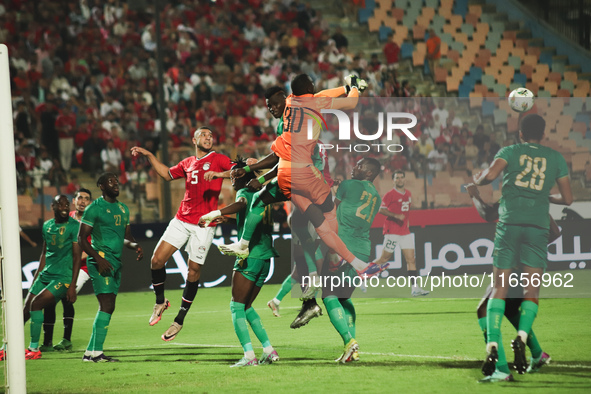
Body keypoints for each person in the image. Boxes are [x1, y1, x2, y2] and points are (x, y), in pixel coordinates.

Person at [220, 74, 386, 279]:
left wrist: (344, 86)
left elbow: (320, 94)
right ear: (309, 87)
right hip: (304, 172)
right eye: (311, 83)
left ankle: (243, 244)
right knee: (328, 214)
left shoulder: (291, 100)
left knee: (262, 201)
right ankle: (336, 256)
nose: (314, 85)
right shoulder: (314, 102)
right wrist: (354, 89)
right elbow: (351, 103)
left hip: (284, 175)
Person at [473, 114, 572, 381]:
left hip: (510, 235)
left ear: (519, 133)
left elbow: (488, 191)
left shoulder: (510, 167)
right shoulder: (553, 162)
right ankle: (532, 348)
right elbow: (568, 200)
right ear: (543, 133)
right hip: (535, 235)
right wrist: (545, 195)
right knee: (524, 298)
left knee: (488, 305)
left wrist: (477, 182)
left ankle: (500, 364)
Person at [130, 127, 234, 341]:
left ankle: (179, 320)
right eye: (204, 135)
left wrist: (219, 174)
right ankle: (160, 302)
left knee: (193, 272)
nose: (208, 137)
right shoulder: (187, 162)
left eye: (211, 136)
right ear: (194, 139)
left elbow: (237, 172)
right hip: (181, 220)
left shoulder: (219, 159)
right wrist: (150, 155)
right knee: (157, 260)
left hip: (204, 224)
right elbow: (167, 175)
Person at [466, 184, 555, 382]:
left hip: (510, 265)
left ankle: (502, 369)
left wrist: (474, 195)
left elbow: (488, 214)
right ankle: (538, 354)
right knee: (509, 309)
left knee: (484, 309)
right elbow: (555, 233)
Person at [198, 159, 279, 367]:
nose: (232, 177)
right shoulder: (265, 195)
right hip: (265, 257)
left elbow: (242, 203)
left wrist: (218, 212)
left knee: (236, 306)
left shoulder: (244, 193)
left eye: (236, 174)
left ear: (247, 176)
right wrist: (232, 220)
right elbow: (252, 219)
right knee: (247, 305)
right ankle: (269, 350)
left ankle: (249, 355)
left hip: (250, 257)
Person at [78, 173, 143, 362]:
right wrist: (98, 258)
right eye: (110, 182)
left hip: (115, 262)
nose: (116, 184)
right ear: (101, 186)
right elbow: (81, 238)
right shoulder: (94, 209)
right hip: (101, 261)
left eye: (117, 181)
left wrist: (135, 246)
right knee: (107, 304)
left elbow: (127, 237)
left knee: (108, 306)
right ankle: (97, 354)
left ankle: (90, 353)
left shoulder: (123, 208)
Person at [326, 158, 382, 363]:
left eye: (359, 166)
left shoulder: (349, 185)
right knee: (344, 297)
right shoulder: (376, 196)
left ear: (369, 173)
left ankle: (349, 341)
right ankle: (353, 351)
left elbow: (331, 210)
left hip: (343, 246)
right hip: (363, 249)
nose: (353, 168)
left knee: (328, 294)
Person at [22, 195, 82, 360]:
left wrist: (72, 285)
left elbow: (77, 257)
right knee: (24, 311)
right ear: (53, 206)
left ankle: (34, 349)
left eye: (66, 204)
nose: (64, 206)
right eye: (60, 204)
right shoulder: (47, 226)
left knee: (36, 305)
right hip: (46, 274)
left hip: (63, 276)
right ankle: (7, 347)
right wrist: (36, 277)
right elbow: (44, 253)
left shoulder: (74, 226)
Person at [42, 188, 94, 352]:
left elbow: (91, 249)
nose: (83, 201)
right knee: (49, 298)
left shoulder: (92, 222)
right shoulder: (67, 217)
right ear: (74, 201)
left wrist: (71, 258)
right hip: (63, 266)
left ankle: (66, 339)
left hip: (83, 267)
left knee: (65, 295)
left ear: (90, 203)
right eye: (80, 198)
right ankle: (48, 341)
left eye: (86, 198)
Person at [373, 170, 429, 297]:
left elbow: (406, 212)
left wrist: (406, 223)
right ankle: (362, 276)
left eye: (401, 177)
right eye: (397, 178)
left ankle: (415, 288)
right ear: (393, 180)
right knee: (384, 259)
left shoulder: (408, 194)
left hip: (405, 232)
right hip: (392, 231)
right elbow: (381, 209)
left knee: (411, 259)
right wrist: (395, 215)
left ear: (405, 179)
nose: (399, 180)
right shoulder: (390, 194)